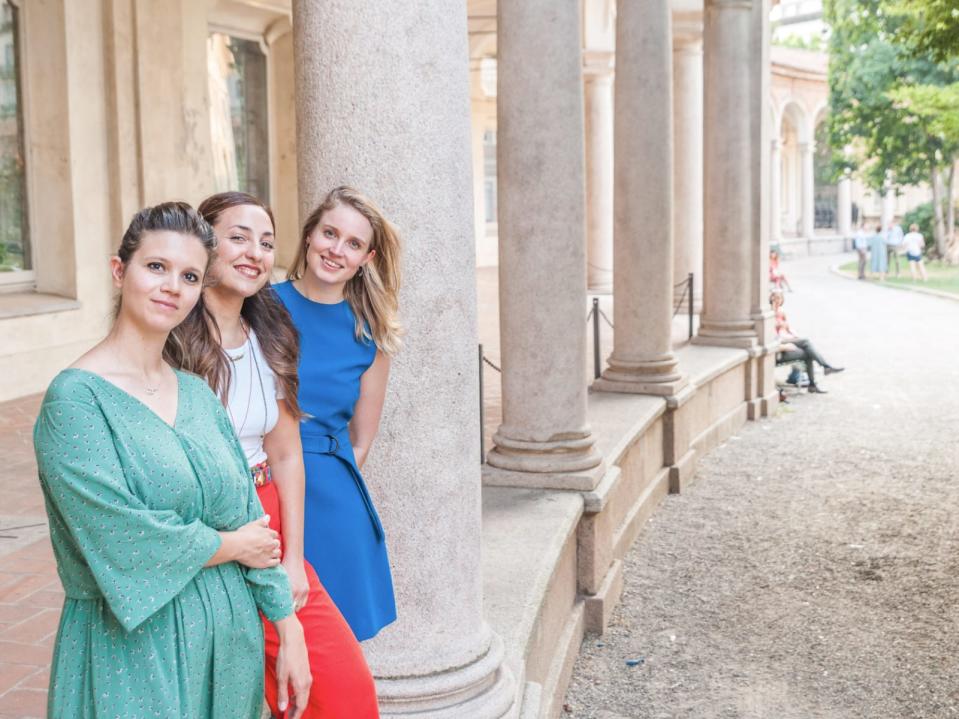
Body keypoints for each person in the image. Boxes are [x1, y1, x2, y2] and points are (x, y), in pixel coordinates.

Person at [33, 202, 311, 719]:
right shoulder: (75, 401)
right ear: (120, 272)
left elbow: (246, 513)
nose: (172, 287)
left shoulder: (196, 392)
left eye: (189, 276)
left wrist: (288, 626)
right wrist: (231, 546)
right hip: (134, 650)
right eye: (155, 267)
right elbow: (122, 538)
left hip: (228, 646)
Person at [167, 191, 380, 718]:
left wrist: (291, 560)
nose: (254, 252)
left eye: (265, 242)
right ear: (204, 245)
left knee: (343, 690)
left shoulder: (271, 331)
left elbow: (285, 453)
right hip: (198, 523)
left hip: (266, 515)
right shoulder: (169, 336)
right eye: (237, 238)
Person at [274, 186, 401, 641]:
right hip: (260, 485)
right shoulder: (260, 308)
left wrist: (326, 485)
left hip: (331, 499)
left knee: (332, 648)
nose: (336, 250)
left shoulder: (371, 332)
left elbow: (362, 439)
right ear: (309, 236)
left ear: (366, 258)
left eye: (353, 243)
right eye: (330, 233)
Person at [771, 290, 843, 394]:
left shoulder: (781, 312)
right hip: (778, 349)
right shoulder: (768, 315)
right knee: (806, 342)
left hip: (785, 341)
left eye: (779, 298)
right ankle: (825, 367)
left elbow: (788, 328)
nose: (777, 300)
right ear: (770, 299)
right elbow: (770, 338)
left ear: (782, 300)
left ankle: (813, 384)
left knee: (808, 353)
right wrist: (784, 346)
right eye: (774, 298)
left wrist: (794, 335)